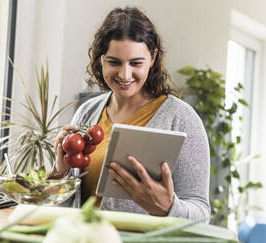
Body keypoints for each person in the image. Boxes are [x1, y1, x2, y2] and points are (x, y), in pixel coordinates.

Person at [53, 6, 210, 221]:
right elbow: (68, 207)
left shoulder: (181, 118)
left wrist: (168, 207)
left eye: (136, 63)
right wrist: (61, 174)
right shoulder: (87, 113)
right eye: (114, 62)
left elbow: (201, 214)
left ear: (153, 58)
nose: (125, 74)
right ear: (101, 59)